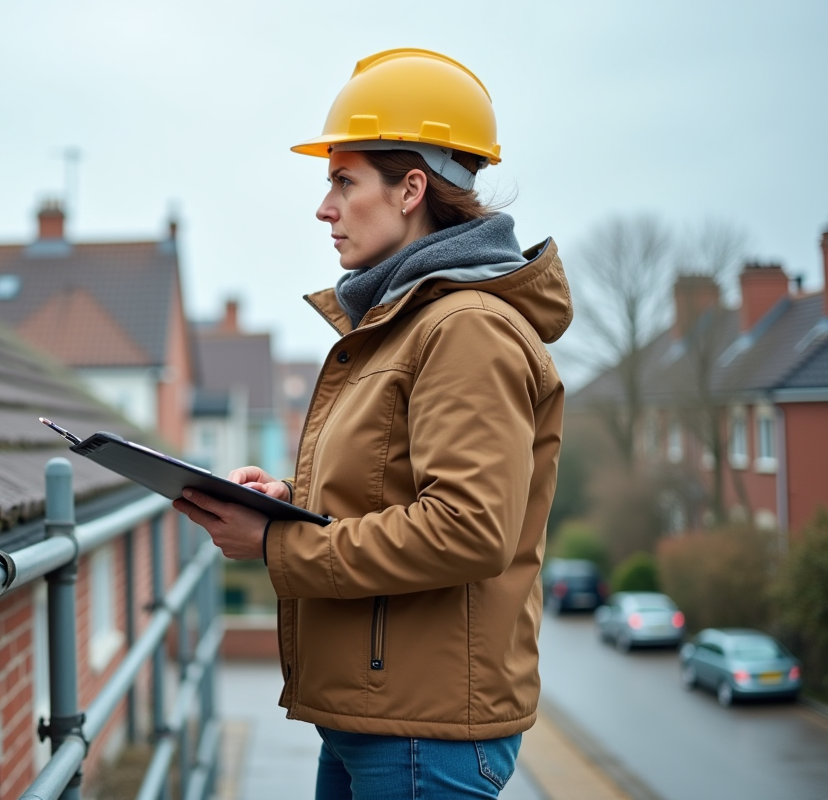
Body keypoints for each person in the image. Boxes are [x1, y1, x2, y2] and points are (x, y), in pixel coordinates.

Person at [173, 48, 571, 799]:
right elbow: (392, 487)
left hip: (424, 736)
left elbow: (468, 528)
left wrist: (276, 544)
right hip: (381, 719)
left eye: (344, 181)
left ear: (411, 189)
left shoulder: (466, 328)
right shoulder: (404, 324)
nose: (324, 208)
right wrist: (288, 502)